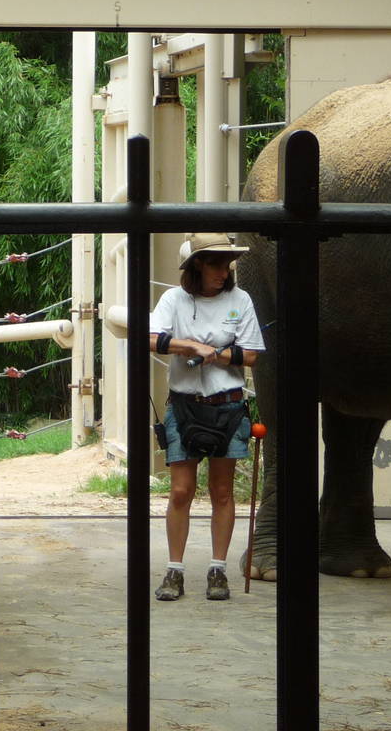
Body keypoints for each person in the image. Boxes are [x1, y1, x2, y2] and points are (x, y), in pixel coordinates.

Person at [149, 231, 265, 601]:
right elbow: (152, 338)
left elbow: (250, 355)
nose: (223, 271)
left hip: (228, 406)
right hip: (184, 406)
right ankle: (175, 571)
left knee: (222, 491)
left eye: (227, 263)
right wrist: (189, 345)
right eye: (215, 263)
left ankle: (218, 570)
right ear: (197, 265)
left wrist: (215, 354)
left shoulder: (240, 300)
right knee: (181, 491)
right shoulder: (173, 299)